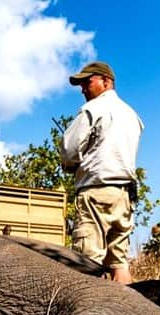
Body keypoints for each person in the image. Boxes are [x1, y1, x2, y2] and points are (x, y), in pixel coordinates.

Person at [60, 61, 143, 284]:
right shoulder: (131, 115)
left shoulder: (92, 109)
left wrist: (71, 166)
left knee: (86, 263)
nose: (83, 89)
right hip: (125, 197)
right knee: (119, 263)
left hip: (96, 194)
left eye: (87, 82)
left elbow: (69, 151)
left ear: (105, 82)